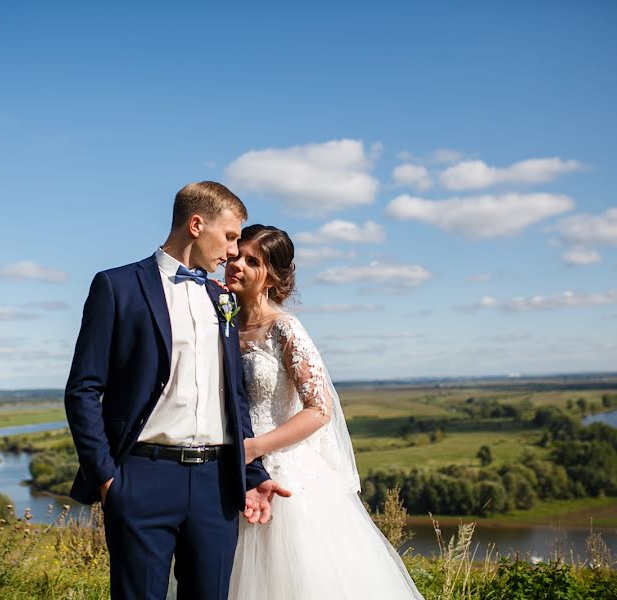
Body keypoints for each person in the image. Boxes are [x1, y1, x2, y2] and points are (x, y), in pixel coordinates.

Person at [64, 183, 290, 600]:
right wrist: (109, 480)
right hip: (142, 477)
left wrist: (251, 473)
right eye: (229, 236)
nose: (232, 251)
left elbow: (233, 397)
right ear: (196, 224)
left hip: (216, 483)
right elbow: (83, 389)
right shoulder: (117, 287)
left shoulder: (221, 299)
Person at [224, 224, 425, 600]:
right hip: (229, 473)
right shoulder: (222, 324)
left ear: (272, 277)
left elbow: (319, 409)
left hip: (285, 474)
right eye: (236, 255)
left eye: (252, 261)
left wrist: (254, 448)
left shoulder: (284, 329)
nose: (237, 264)